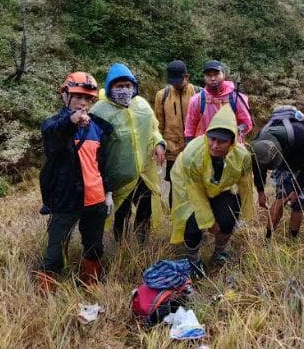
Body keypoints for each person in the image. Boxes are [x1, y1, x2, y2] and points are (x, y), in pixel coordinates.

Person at [37, 72, 113, 293]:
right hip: (65, 199)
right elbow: (53, 140)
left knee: (94, 247)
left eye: (88, 99)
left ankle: (90, 285)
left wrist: (107, 193)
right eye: (78, 96)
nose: (83, 103)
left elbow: (102, 164)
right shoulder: (53, 124)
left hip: (95, 199)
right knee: (55, 250)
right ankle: (46, 292)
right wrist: (71, 121)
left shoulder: (98, 127)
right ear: (65, 96)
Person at [170, 105, 253, 276]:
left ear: (232, 142)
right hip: (188, 186)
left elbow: (245, 184)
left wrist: (245, 213)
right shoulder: (193, 154)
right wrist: (209, 222)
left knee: (228, 218)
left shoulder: (242, 156)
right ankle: (193, 261)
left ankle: (219, 252)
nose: (214, 145)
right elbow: (196, 193)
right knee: (192, 222)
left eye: (221, 141)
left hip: (220, 187)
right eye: (212, 139)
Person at [91, 63, 166, 243]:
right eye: (119, 86)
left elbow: (153, 128)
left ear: (134, 87)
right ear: (110, 88)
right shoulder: (99, 112)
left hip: (143, 172)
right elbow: (94, 147)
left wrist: (159, 142)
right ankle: (121, 245)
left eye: (128, 85)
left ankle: (142, 240)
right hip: (119, 176)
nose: (124, 90)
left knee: (145, 206)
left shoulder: (141, 105)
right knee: (121, 212)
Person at [250, 105, 304, 239]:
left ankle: (292, 238)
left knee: (297, 201)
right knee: (281, 198)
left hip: (299, 161)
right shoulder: (258, 143)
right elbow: (258, 167)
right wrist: (260, 192)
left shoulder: (301, 135)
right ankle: (268, 238)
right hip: (283, 158)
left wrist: (296, 189)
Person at [154, 60, 201, 206]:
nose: (175, 84)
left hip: (195, 150)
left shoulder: (200, 93)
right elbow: (158, 124)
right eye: (172, 81)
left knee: (196, 185)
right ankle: (176, 221)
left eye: (179, 80)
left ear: (186, 77)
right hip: (173, 149)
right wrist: (159, 144)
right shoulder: (162, 95)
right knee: (175, 186)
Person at [184, 60, 253, 143]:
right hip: (205, 147)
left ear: (223, 74)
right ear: (204, 77)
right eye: (208, 75)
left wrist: (237, 129)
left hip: (231, 146)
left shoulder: (236, 98)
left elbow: (247, 123)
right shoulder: (196, 100)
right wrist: (190, 146)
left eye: (216, 74)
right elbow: (190, 127)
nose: (213, 78)